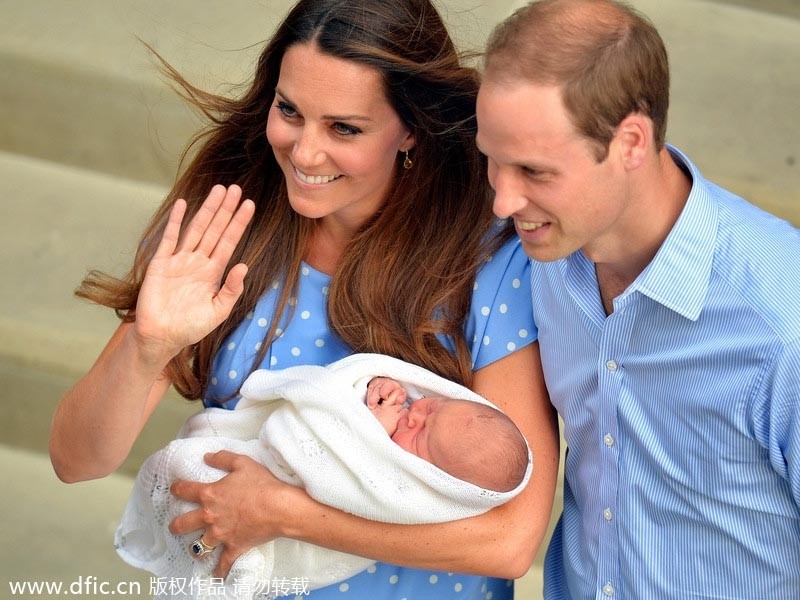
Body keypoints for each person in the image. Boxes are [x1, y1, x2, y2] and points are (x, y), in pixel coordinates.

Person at [49, 1, 560, 598]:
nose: (305, 153)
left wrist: (285, 514)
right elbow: (75, 460)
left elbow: (510, 542)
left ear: (411, 128)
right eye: (289, 111)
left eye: (344, 128)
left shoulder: (491, 260)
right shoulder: (232, 227)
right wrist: (146, 347)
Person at [476, 0, 800, 598]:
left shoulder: (785, 320)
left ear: (630, 141)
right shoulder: (536, 255)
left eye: (534, 171)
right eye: (492, 161)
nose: (503, 199)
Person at [115, 354, 533, 598]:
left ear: (437, 481)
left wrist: (365, 425)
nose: (416, 413)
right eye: (434, 409)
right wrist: (370, 389)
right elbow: (349, 399)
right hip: (232, 474)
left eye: (421, 434)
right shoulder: (404, 411)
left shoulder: (406, 490)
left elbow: (332, 461)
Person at [367, 374, 529, 493]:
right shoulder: (408, 408)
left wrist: (374, 429)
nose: (413, 415)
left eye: (420, 436)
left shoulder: (405, 489)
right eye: (431, 407)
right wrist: (381, 386)